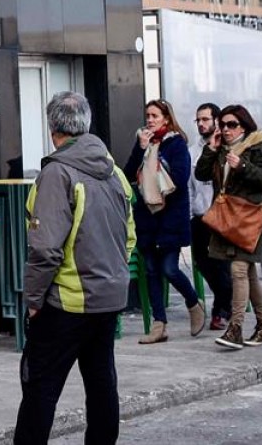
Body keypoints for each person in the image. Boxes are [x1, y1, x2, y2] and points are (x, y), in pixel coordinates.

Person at [14, 92, 136, 445]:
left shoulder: (57, 173)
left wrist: (34, 299)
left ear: (53, 128)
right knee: (101, 382)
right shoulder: (113, 172)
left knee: (40, 387)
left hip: (67, 301)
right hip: (108, 297)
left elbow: (45, 248)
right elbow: (130, 235)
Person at [196, 105, 262, 349]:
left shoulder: (258, 144)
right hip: (228, 218)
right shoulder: (219, 148)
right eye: (223, 125)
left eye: (232, 125)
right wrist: (211, 148)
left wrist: (242, 165)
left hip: (249, 217)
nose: (227, 129)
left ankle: (236, 327)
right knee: (249, 274)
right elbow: (201, 174)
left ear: (244, 125)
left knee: (239, 270)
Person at [123, 99, 203, 344]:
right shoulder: (145, 144)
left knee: (169, 268)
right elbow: (127, 175)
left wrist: (158, 164)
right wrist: (141, 149)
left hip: (169, 217)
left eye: (155, 115)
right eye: (147, 115)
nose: (150, 119)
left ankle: (193, 302)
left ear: (166, 119)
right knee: (150, 271)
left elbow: (179, 177)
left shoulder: (176, 144)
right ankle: (159, 325)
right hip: (147, 218)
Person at [189, 102, 233, 330]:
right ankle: (228, 296)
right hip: (199, 216)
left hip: (221, 216)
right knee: (202, 263)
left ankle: (221, 311)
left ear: (216, 121)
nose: (201, 124)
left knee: (221, 265)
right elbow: (189, 186)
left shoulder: (225, 148)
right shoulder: (193, 151)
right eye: (198, 120)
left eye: (205, 119)